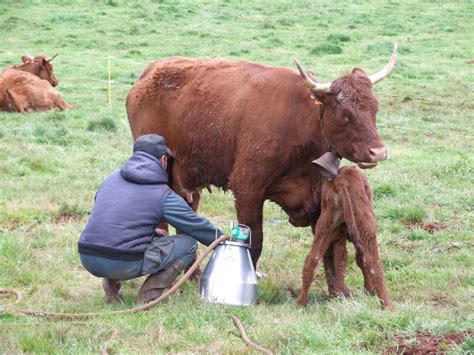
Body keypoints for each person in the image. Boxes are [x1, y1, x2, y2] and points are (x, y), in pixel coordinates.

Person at [78, 134, 223, 304]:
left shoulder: (111, 179)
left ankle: (112, 290)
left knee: (115, 241)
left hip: (88, 256)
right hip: (122, 261)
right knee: (188, 244)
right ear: (163, 160)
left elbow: (110, 214)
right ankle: (149, 296)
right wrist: (223, 240)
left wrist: (150, 231)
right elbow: (194, 226)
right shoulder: (162, 194)